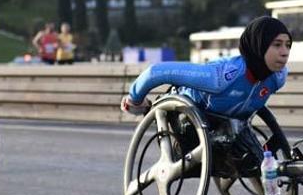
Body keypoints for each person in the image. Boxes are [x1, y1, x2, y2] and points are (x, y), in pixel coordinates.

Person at [121, 16, 291, 121]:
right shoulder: (221, 77)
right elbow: (155, 72)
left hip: (231, 127)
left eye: (288, 45)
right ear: (258, 46)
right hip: (186, 119)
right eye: (277, 45)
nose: (285, 53)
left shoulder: (278, 77)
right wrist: (135, 100)